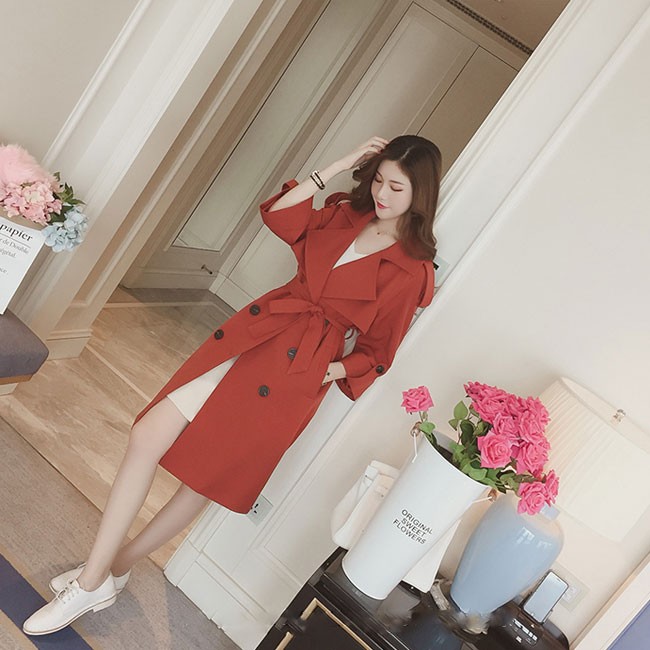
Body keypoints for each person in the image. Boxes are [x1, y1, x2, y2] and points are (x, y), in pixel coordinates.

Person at [23, 134, 442, 635]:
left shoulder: (412, 270)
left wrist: (326, 371)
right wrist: (342, 162)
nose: (382, 193)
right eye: (378, 179)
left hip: (293, 373)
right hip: (256, 332)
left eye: (396, 187)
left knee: (205, 478)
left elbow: (378, 352)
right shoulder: (343, 213)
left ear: (420, 193)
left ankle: (108, 571)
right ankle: (97, 578)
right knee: (146, 436)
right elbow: (281, 217)